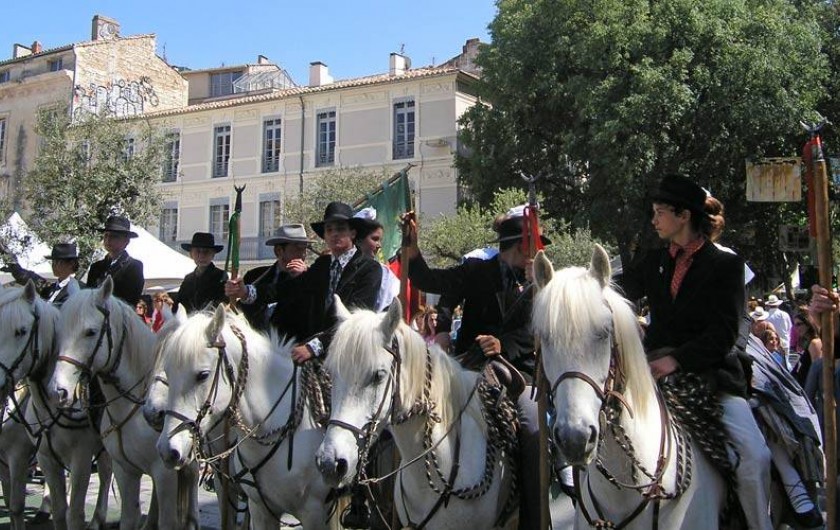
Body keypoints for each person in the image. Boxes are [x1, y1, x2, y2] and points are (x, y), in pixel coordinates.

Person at [620, 174, 773, 530]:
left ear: (684, 215)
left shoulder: (726, 264)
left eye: (660, 212)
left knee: (755, 457)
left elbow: (726, 333)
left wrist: (676, 359)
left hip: (713, 376)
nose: (654, 220)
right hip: (654, 376)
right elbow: (620, 288)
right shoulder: (654, 260)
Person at [402, 206, 550, 530]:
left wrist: (502, 346)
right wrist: (412, 250)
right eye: (534, 247)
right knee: (407, 411)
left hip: (518, 375)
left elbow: (537, 337)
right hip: (468, 369)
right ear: (519, 246)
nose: (538, 254)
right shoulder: (476, 270)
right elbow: (430, 279)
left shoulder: (543, 285)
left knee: (534, 430)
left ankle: (534, 521)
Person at [260, 202, 381, 362]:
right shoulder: (323, 265)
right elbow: (286, 290)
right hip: (313, 355)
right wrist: (248, 292)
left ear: (352, 233)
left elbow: (354, 320)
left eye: (340, 229)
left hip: (348, 357)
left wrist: (314, 346)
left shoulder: (369, 268)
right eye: (329, 230)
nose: (334, 234)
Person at [225, 224, 312, 331]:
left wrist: (305, 278)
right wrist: (236, 291)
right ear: (279, 251)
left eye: (305, 249)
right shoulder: (254, 276)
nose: (302, 254)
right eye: (298, 248)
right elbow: (241, 310)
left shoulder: (313, 279)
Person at [86, 215, 144, 307]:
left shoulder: (134, 266)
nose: (108, 240)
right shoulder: (95, 267)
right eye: (106, 235)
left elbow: (131, 299)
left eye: (114, 236)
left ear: (126, 241)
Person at [1, 242, 82, 308]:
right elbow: (32, 279)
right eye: (53, 262)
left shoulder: (74, 290)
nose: (53, 266)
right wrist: (13, 265)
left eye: (58, 262)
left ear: (71, 264)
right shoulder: (53, 287)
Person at [353, 207, 400, 312]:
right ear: (359, 240)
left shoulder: (384, 273)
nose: (379, 245)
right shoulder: (339, 267)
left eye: (379, 240)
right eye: (374, 239)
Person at [176, 232, 228, 314]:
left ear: (213, 254)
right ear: (191, 254)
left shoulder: (221, 276)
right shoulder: (188, 279)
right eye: (198, 251)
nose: (201, 256)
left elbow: (222, 303)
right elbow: (179, 305)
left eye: (206, 252)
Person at [791, 312, 821, 388]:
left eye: (799, 324)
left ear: (808, 324)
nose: (796, 328)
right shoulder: (805, 343)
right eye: (794, 325)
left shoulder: (814, 343)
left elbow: (817, 371)